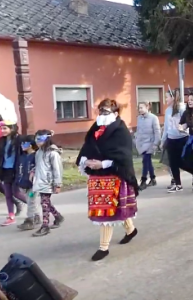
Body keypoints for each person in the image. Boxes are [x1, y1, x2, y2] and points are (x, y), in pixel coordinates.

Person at [76, 99, 138, 261]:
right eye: (100, 111)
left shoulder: (121, 130)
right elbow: (87, 147)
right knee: (116, 209)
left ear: (116, 113)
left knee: (105, 212)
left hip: (114, 175)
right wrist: (86, 161)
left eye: (106, 111)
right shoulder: (95, 128)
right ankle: (131, 230)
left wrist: (102, 163)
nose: (102, 114)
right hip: (96, 177)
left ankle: (103, 248)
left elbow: (123, 155)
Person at [31, 130, 64, 237]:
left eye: (40, 139)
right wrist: (33, 171)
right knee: (46, 202)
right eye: (36, 139)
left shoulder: (53, 153)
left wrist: (58, 184)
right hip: (40, 181)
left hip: (49, 182)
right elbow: (39, 165)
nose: (37, 142)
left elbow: (57, 169)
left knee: (44, 203)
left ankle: (45, 226)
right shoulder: (39, 152)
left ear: (47, 139)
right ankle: (58, 216)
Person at [0, 122, 27, 226]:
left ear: (12, 128)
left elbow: (30, 148)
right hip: (5, 170)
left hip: (16, 170)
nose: (2, 131)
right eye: (1, 128)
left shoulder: (20, 139)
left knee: (16, 192)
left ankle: (34, 205)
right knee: (8, 194)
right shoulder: (1, 140)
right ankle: (11, 216)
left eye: (5, 128)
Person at [161, 89, 190, 193]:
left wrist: (184, 129)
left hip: (182, 138)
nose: (165, 99)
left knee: (182, 162)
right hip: (171, 139)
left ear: (173, 98)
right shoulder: (167, 110)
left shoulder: (182, 108)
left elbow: (187, 122)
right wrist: (163, 140)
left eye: (167, 97)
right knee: (172, 163)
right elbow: (166, 127)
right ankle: (178, 184)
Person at [17, 135, 41, 231]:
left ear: (30, 145)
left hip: (33, 185)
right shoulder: (22, 157)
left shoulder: (36, 156)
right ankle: (36, 217)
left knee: (31, 201)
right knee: (30, 201)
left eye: (24, 143)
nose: (22, 145)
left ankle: (30, 220)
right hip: (24, 184)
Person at [135, 101, 161, 189]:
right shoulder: (139, 118)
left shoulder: (153, 118)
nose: (140, 110)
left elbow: (157, 131)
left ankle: (143, 180)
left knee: (145, 161)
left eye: (142, 107)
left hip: (150, 143)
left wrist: (156, 143)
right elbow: (138, 131)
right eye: (139, 108)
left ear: (147, 107)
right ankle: (153, 179)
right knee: (148, 161)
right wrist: (136, 140)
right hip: (141, 143)